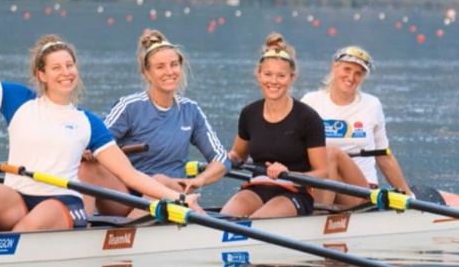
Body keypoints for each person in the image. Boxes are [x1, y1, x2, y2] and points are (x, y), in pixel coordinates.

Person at [0, 33, 200, 236]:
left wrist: (178, 199)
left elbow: (128, 174)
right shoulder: (16, 101)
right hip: (18, 198)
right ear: (42, 75)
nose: (65, 73)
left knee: (28, 229)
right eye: (56, 68)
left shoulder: (87, 123)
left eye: (69, 66)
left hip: (63, 204)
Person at [80, 29, 229, 216]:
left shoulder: (191, 110)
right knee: (88, 168)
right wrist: (88, 151)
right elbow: (98, 143)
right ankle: (82, 228)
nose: (169, 72)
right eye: (160, 67)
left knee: (159, 180)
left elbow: (222, 159)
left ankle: (128, 234)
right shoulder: (129, 107)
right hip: (129, 193)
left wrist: (201, 179)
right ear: (147, 73)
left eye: (174, 65)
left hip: (172, 192)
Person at [220, 33, 328, 218]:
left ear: (292, 77)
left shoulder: (308, 118)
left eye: (281, 76)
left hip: (294, 192)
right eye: (268, 74)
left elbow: (323, 172)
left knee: (258, 222)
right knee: (227, 217)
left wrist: (289, 172)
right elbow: (239, 154)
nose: (273, 81)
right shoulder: (249, 114)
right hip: (256, 188)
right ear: (258, 75)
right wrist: (227, 158)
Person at [301, 45, 412, 208]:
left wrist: (409, 196)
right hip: (316, 183)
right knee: (326, 157)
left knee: (331, 152)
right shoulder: (311, 101)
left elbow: (384, 157)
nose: (351, 77)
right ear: (334, 67)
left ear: (363, 77)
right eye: (347, 69)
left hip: (361, 190)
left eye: (358, 73)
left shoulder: (371, 105)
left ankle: (315, 218)